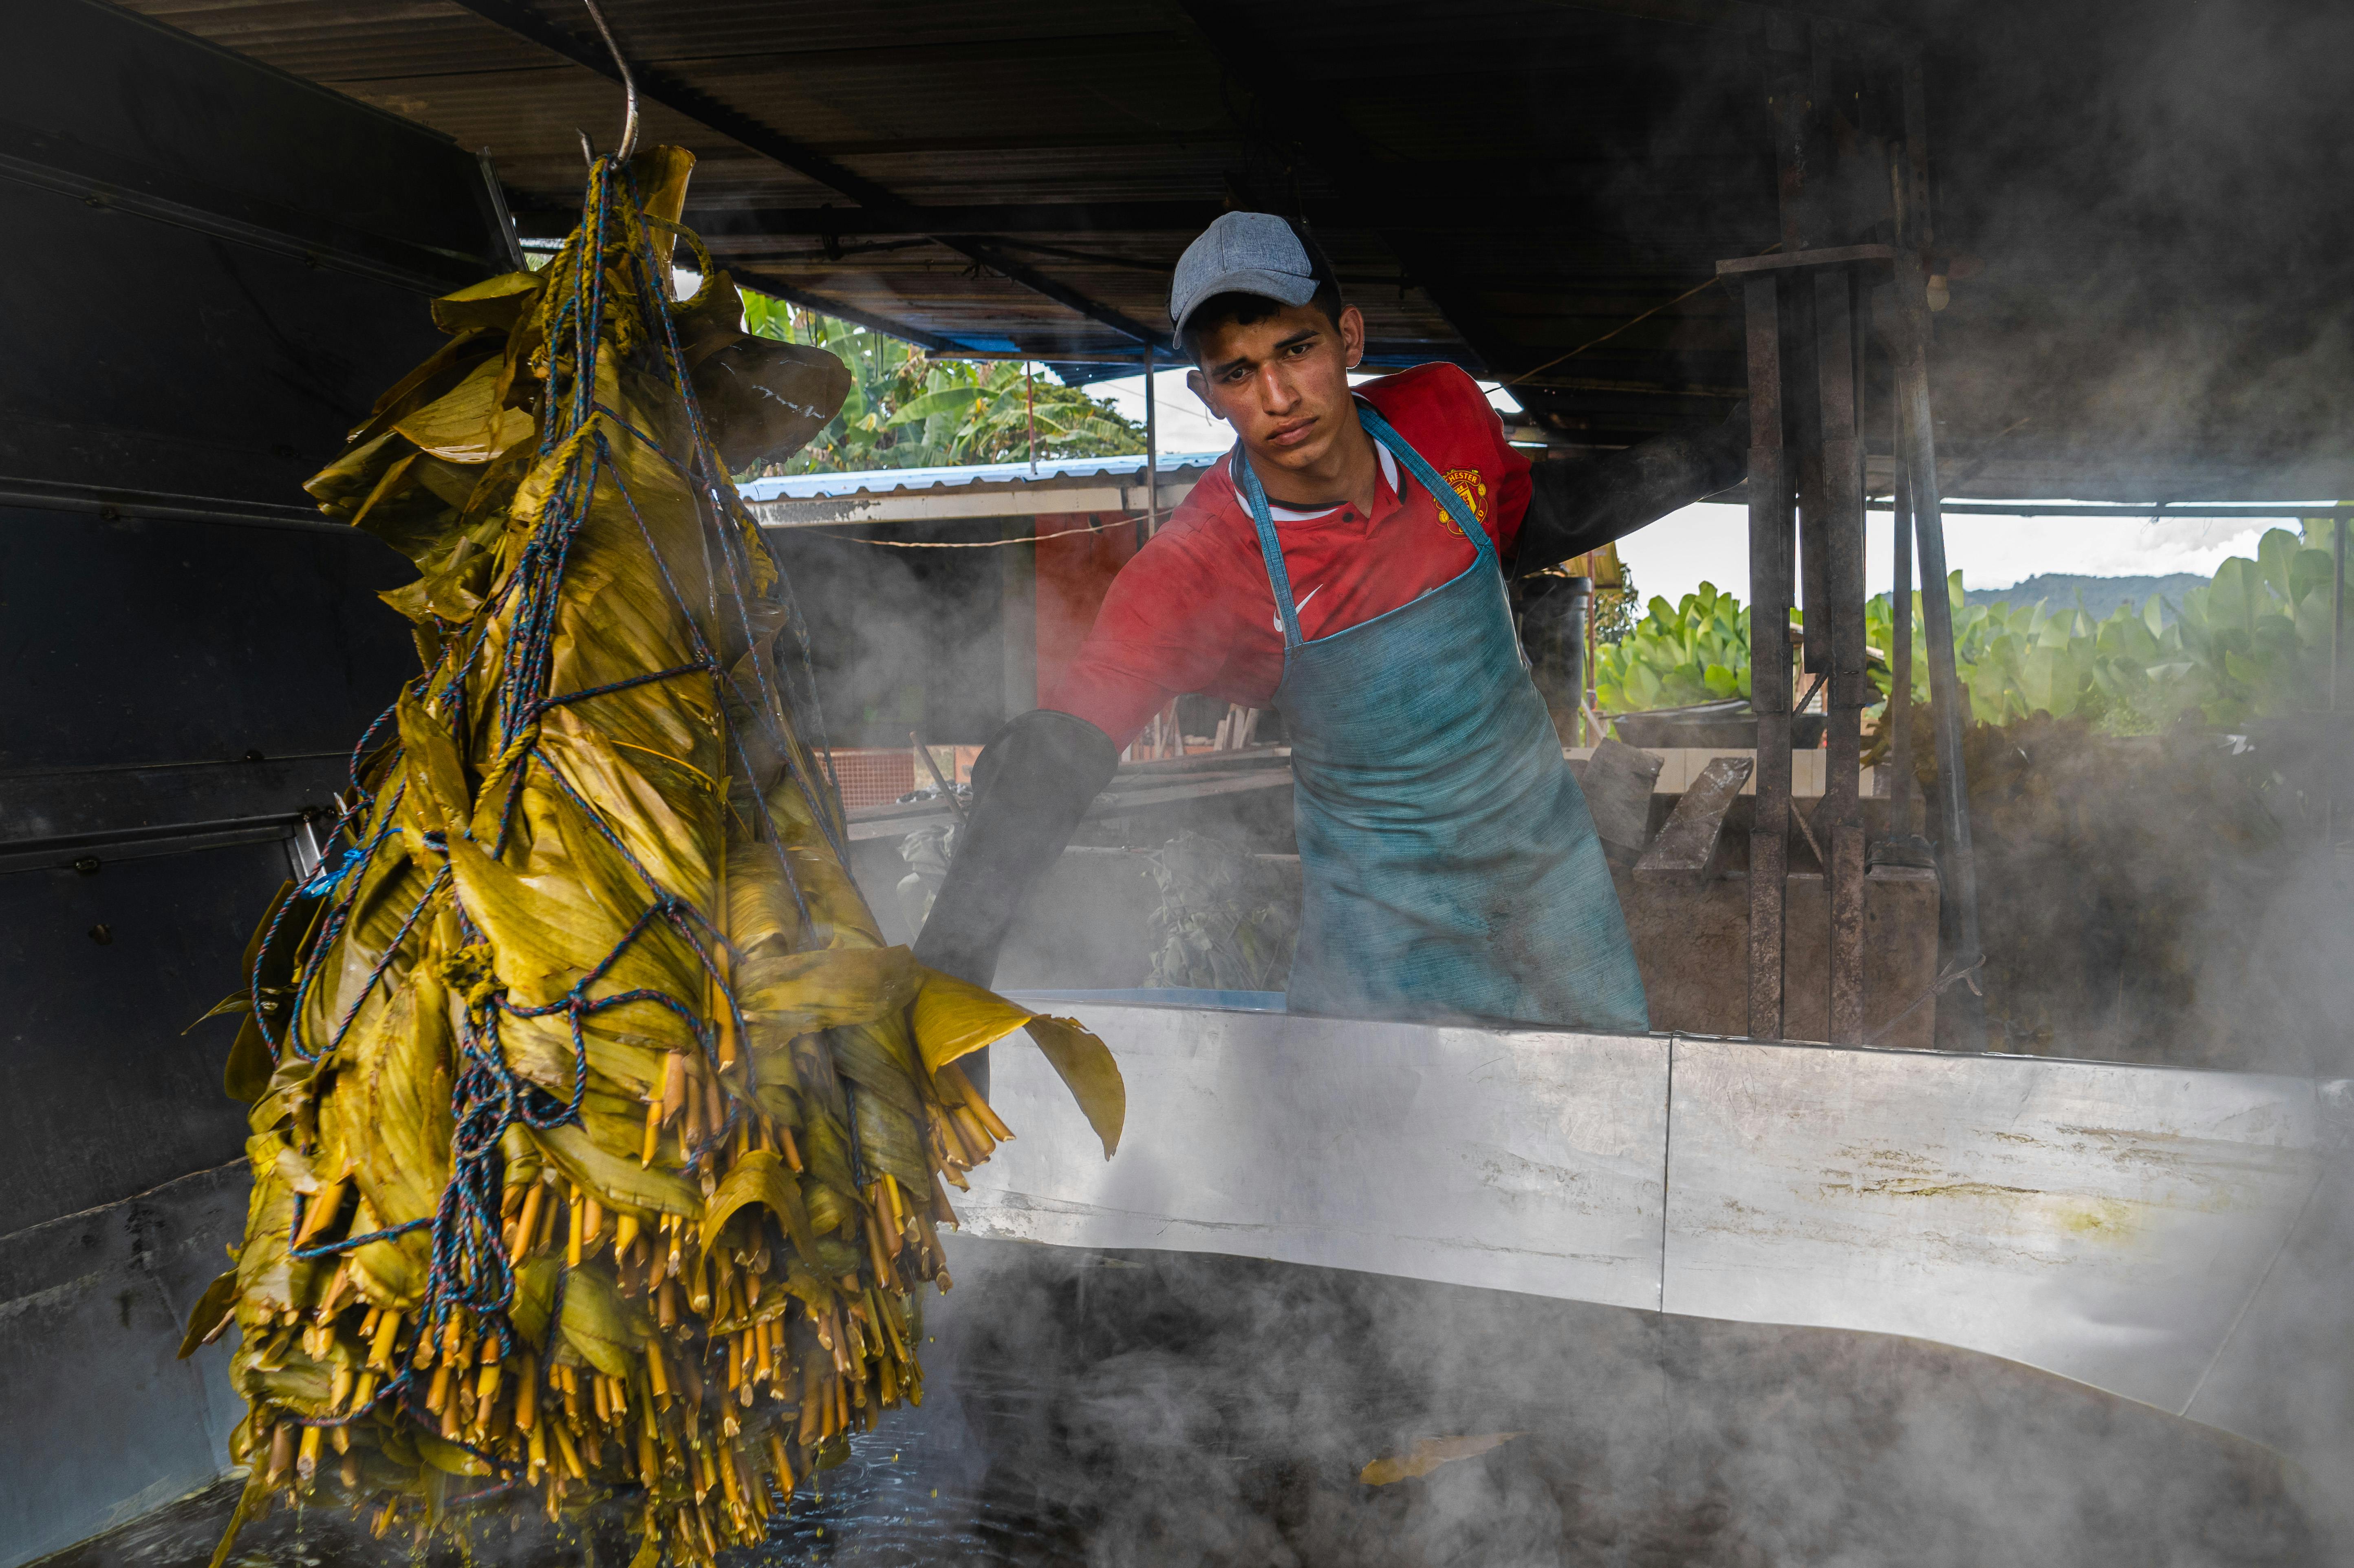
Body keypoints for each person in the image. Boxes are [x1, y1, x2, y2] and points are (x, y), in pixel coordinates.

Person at [915, 211, 1743, 1034]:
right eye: (1236, 374)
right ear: (1205, 394)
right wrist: (949, 967)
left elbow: (1526, 525)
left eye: (1295, 349)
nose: (1276, 398)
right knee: (1378, 1147)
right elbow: (1056, 754)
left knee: (1594, 1128)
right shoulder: (1195, 570)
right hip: (1379, 935)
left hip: (1551, 883)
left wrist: (1721, 451)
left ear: (1347, 336)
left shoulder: (1444, 412)